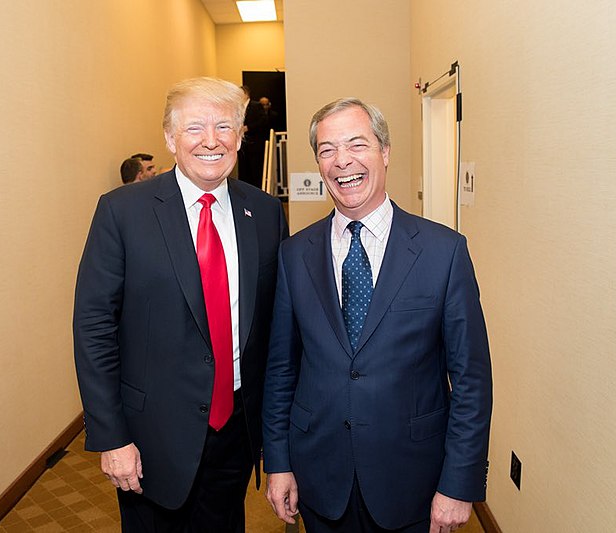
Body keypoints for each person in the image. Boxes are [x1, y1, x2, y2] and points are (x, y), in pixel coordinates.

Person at [262, 98, 492, 533]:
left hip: (412, 482)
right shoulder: (295, 254)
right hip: (319, 477)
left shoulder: (444, 252)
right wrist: (278, 463)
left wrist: (459, 483)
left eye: (356, 144)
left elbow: (471, 381)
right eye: (327, 149)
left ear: (384, 152)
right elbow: (281, 371)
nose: (341, 160)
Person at [74, 77, 288, 532]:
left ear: (240, 136)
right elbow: (94, 327)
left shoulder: (266, 213)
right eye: (194, 128)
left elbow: (273, 330)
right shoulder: (122, 212)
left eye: (224, 127)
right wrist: (111, 437)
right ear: (170, 138)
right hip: (150, 439)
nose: (211, 141)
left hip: (235, 431)